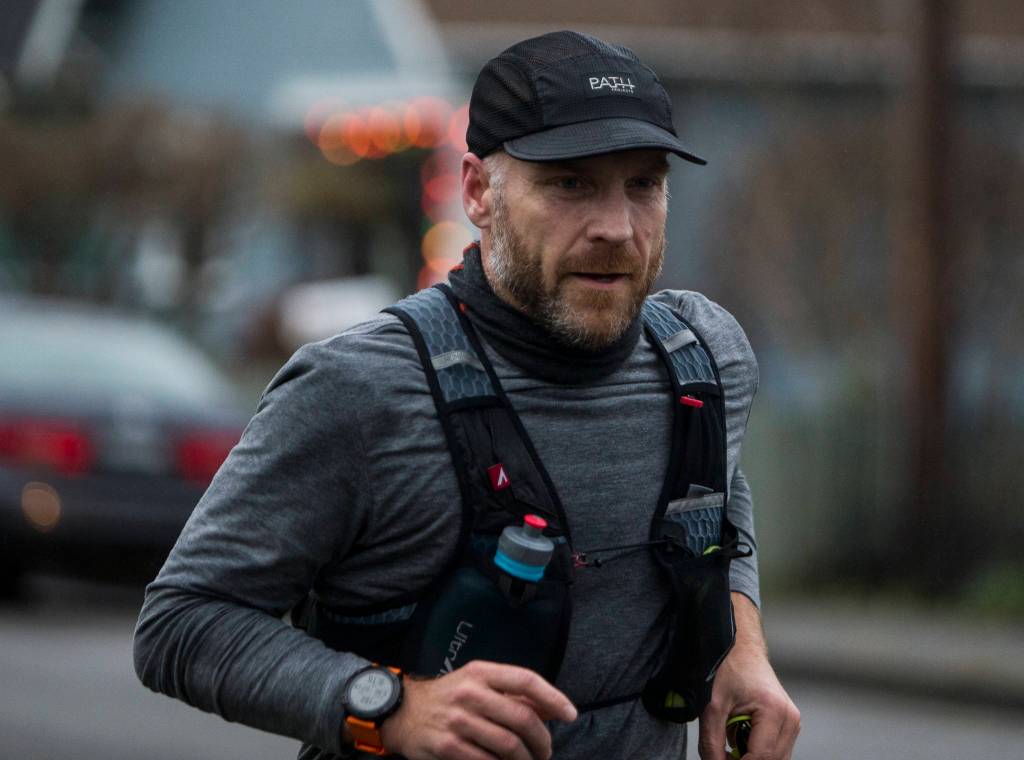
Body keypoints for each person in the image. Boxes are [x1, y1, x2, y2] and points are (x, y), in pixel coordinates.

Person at [134, 30, 799, 760]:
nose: (616, 228)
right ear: (479, 192)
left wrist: (740, 644)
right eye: (570, 184)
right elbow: (181, 622)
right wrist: (389, 707)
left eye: (642, 184)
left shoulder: (705, 360)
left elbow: (717, 493)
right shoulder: (363, 390)